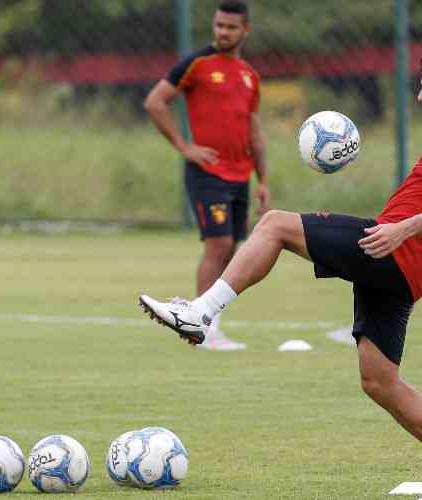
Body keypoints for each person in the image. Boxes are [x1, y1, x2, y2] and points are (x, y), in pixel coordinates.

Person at [140, 46, 422, 499]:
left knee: (274, 225)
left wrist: (400, 232)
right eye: (421, 86)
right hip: (401, 263)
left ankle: (201, 313)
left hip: (395, 250)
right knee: (379, 381)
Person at [143, 0, 270, 351]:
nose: (223, 32)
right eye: (218, 26)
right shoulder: (196, 65)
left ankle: (210, 324)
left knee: (232, 250)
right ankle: (201, 330)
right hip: (207, 173)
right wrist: (185, 147)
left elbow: (255, 133)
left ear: (246, 30)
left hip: (241, 175)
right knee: (218, 245)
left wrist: (264, 182)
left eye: (230, 27)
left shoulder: (249, 75)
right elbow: (155, 102)